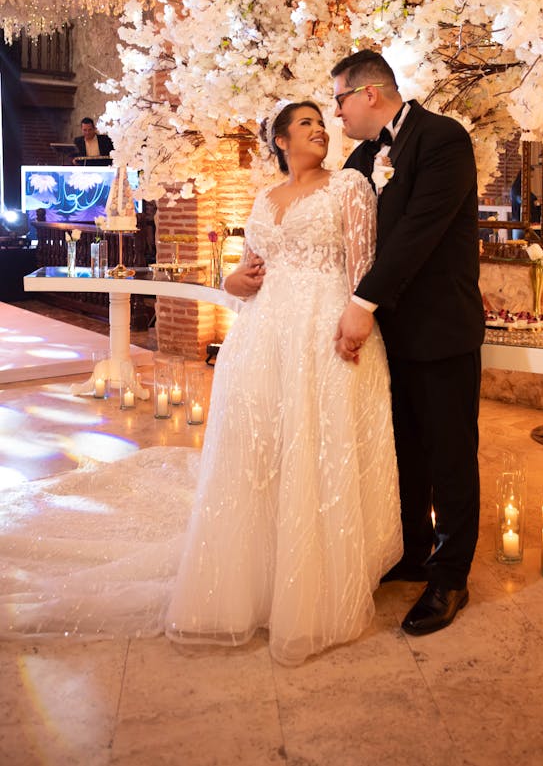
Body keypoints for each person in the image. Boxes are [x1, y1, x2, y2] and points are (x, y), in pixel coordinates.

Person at [0, 100, 401, 667]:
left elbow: (364, 268)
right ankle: (259, 572)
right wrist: (234, 279)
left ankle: (316, 576)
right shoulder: (265, 197)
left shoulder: (351, 188)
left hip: (326, 331)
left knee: (319, 445)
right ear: (281, 141)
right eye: (306, 124)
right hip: (262, 337)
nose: (320, 130)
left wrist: (357, 322)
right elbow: (246, 272)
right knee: (259, 450)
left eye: (323, 122)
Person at [331, 50, 484, 637]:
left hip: (441, 328)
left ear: (370, 93)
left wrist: (361, 303)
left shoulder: (443, 139)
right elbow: (339, 224)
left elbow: (420, 229)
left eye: (340, 99)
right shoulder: (364, 155)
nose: (337, 113)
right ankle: (414, 550)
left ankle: (451, 576)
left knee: (449, 455)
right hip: (389, 338)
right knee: (406, 452)